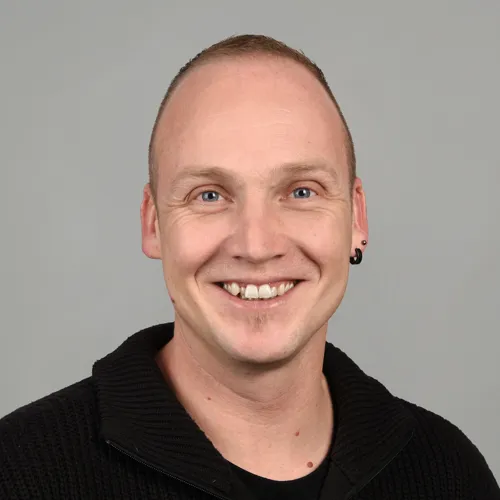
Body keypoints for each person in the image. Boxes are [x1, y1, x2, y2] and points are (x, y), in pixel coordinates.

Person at [0, 34, 498, 500]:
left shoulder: (448, 473)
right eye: (209, 195)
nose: (257, 245)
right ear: (153, 224)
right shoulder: (20, 471)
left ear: (356, 218)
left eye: (301, 191)